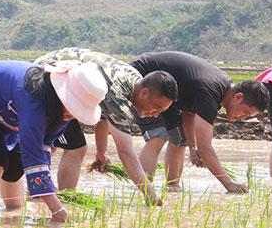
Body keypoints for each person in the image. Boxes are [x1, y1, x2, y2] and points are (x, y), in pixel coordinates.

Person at [0, 60, 108, 221]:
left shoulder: (61, 112)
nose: (72, 115)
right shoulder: (34, 100)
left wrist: (46, 186)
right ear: (63, 95)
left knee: (15, 164)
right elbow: (33, 157)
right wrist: (56, 208)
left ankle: (13, 213)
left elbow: (44, 146)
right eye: (73, 107)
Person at [34, 47, 178, 204]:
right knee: (73, 147)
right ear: (144, 93)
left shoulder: (135, 80)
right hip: (49, 80)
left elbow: (103, 112)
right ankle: (59, 200)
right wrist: (150, 195)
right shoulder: (120, 99)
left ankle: (46, 196)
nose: (156, 114)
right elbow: (126, 153)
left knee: (52, 144)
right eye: (156, 107)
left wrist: (101, 151)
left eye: (161, 111)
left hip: (61, 79)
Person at [131, 51, 269, 193]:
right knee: (158, 136)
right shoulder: (211, 92)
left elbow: (188, 113)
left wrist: (192, 147)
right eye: (245, 113)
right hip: (145, 77)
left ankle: (172, 188)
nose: (243, 118)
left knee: (180, 139)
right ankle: (141, 191)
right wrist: (229, 184)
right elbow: (205, 149)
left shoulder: (220, 89)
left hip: (169, 95)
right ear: (238, 97)